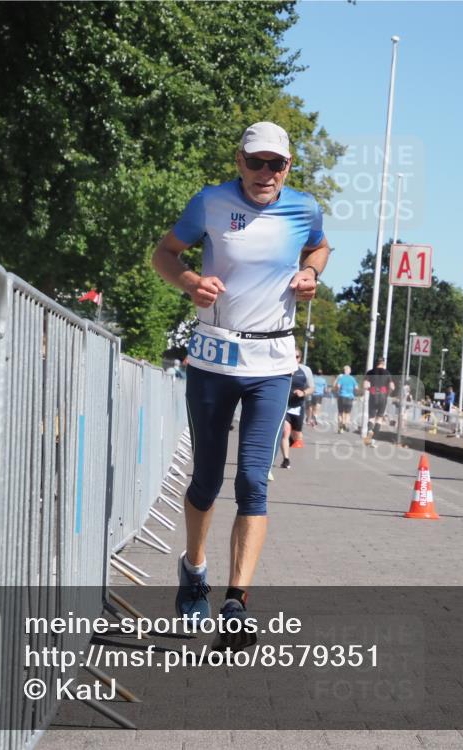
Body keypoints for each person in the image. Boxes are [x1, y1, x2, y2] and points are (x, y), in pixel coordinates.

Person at [150, 121, 330, 641]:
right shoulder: (208, 202)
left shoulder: (304, 207)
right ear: (239, 162)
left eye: (276, 164)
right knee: (206, 480)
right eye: (256, 162)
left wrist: (311, 275)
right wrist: (189, 282)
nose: (266, 173)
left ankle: (236, 602)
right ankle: (194, 571)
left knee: (253, 479)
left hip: (272, 362)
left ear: (289, 167)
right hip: (213, 358)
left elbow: (319, 247)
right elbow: (164, 254)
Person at [279, 349, 314, 468]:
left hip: (298, 407)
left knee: (297, 435)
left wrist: (303, 392)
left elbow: (312, 388)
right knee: (285, 432)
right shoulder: (282, 368)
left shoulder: (305, 370)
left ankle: (292, 440)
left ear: (300, 358)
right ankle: (286, 459)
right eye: (292, 356)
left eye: (297, 357)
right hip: (284, 406)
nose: (294, 359)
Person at [363, 357, 395, 445]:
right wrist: (388, 393)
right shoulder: (387, 373)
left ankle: (369, 430)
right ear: (383, 363)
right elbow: (392, 387)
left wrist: (370, 390)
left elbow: (365, 386)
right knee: (379, 418)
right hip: (383, 396)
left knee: (371, 417)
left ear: (376, 363)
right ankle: (374, 440)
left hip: (373, 395)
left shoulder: (370, 372)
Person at [334, 365, 358, 433]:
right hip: (350, 397)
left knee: (340, 412)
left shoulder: (341, 378)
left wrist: (337, 391)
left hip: (341, 396)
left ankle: (340, 428)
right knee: (348, 413)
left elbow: (338, 386)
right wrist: (354, 393)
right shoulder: (353, 379)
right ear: (350, 371)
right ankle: (345, 424)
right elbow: (356, 388)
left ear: (344, 371)